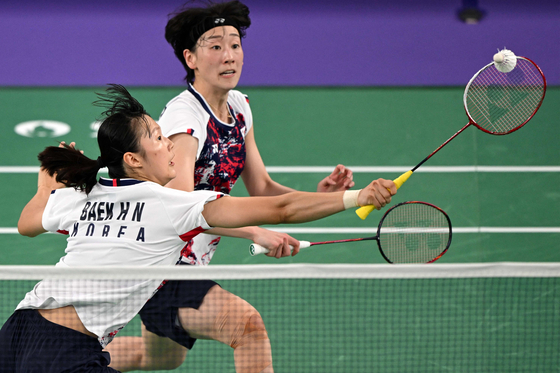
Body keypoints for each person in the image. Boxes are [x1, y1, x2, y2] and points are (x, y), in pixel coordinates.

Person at [0, 84, 396, 372]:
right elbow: (281, 209)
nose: (170, 144)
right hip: (66, 352)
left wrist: (45, 186)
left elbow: (26, 225)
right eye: (158, 137)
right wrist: (356, 198)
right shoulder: (173, 205)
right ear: (133, 160)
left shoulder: (85, 193)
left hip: (19, 330)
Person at [106, 1, 358, 371]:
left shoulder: (238, 107)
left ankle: (61, 363)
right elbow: (180, 207)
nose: (229, 56)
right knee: (248, 327)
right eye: (216, 46)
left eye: (235, 45)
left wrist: (321, 198)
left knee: (158, 358)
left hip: (188, 262)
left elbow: (262, 187)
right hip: (163, 263)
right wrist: (255, 231)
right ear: (190, 58)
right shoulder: (185, 118)